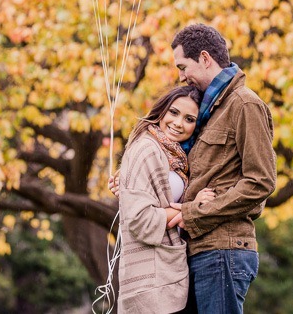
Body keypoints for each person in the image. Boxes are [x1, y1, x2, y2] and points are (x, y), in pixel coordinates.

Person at [167, 24, 277, 314]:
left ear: (204, 58)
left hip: (223, 250)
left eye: (183, 66)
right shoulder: (208, 111)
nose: (181, 76)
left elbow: (261, 182)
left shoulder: (244, 104)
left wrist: (193, 213)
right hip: (199, 250)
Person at [114, 84, 216, 314]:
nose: (178, 123)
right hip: (150, 278)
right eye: (173, 112)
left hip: (165, 272)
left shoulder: (175, 156)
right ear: (161, 111)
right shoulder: (147, 149)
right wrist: (191, 209)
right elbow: (141, 220)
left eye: (189, 119)